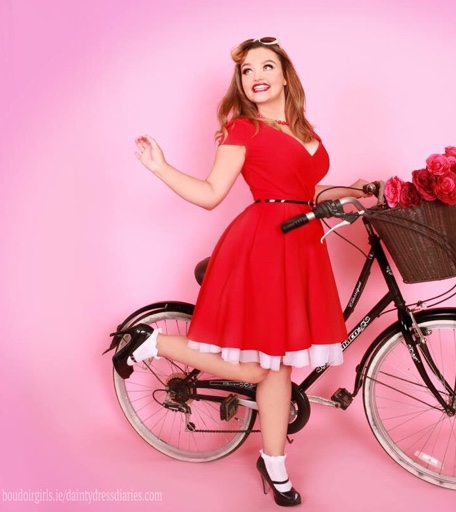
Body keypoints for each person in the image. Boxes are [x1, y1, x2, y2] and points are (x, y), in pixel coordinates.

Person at [107, 37, 374, 507]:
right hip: (264, 245)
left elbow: (306, 190)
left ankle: (274, 464)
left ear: (285, 76)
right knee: (260, 366)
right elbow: (211, 193)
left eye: (266, 66)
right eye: (247, 71)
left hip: (302, 243)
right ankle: (152, 342)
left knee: (281, 366)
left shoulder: (301, 127)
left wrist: (352, 190)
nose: (256, 77)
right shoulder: (243, 129)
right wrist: (161, 167)